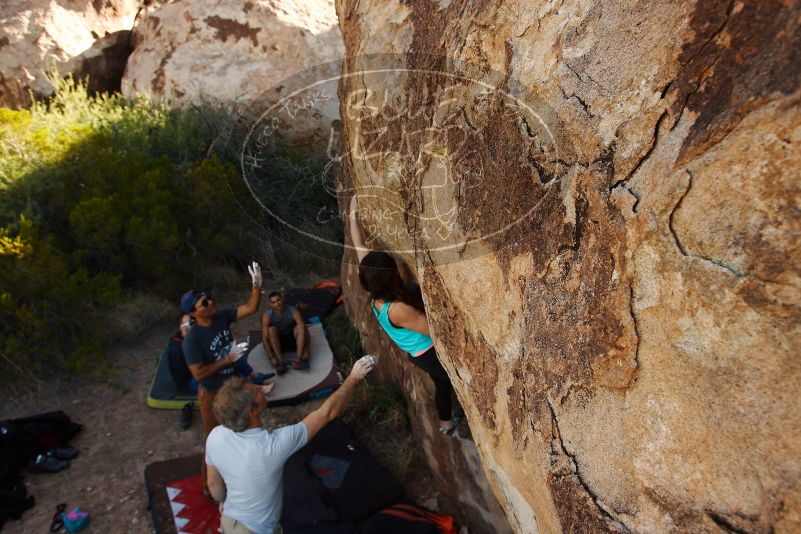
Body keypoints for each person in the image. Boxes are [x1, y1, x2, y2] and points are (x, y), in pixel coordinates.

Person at [206, 355, 376, 534]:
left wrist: (224, 501)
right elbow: (327, 413)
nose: (260, 389)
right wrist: (354, 377)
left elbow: (214, 486)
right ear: (253, 412)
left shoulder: (215, 436)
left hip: (229, 522)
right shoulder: (272, 447)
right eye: (256, 391)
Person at [348, 196, 461, 435]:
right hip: (426, 351)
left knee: (441, 383)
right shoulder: (398, 309)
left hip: (415, 350)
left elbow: (360, 248)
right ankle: (447, 425)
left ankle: (447, 421)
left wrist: (352, 215)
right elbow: (436, 331)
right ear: (390, 275)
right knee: (444, 382)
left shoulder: (374, 290)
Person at [180, 261, 263, 496]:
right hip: (213, 393)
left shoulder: (220, 317)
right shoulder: (193, 340)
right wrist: (227, 359)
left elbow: (250, 308)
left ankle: (244, 471)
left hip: (234, 385)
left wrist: (256, 286)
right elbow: (198, 373)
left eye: (209, 298)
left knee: (245, 426)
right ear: (194, 313)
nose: (211, 302)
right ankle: (209, 485)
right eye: (204, 302)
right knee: (214, 438)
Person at [260, 292, 310, 372]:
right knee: (271, 330)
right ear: (271, 305)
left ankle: (299, 360)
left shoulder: (293, 311)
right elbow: (264, 338)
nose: (277, 303)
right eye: (274, 302)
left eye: (278, 300)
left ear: (283, 299)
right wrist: (271, 357)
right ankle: (281, 363)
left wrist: (306, 351)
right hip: (278, 343)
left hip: (293, 341)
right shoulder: (267, 316)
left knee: (301, 326)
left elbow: (305, 331)